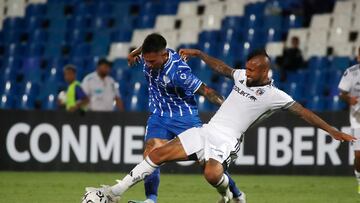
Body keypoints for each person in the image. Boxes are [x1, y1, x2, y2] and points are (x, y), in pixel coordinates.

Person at [86, 49, 355, 203]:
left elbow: (304, 112)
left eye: (252, 70)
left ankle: (232, 196)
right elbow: (222, 67)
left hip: (227, 141)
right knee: (156, 154)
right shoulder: (240, 77)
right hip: (207, 130)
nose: (246, 73)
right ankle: (114, 193)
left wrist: (332, 130)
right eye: (246, 68)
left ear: (264, 71)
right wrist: (199, 54)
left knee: (212, 176)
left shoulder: (276, 95)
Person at [126, 33, 244, 203]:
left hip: (185, 118)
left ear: (164, 54)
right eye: (145, 59)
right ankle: (151, 200)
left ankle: (237, 194)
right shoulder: (148, 56)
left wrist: (228, 108)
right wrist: (134, 53)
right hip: (159, 115)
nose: (148, 65)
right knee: (151, 152)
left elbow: (206, 91)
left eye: (152, 61)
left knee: (208, 165)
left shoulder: (179, 72)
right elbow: (144, 48)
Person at [338, 46, 360, 194]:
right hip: (357, 119)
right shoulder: (351, 73)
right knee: (359, 155)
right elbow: (341, 94)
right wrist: (349, 99)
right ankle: (359, 178)